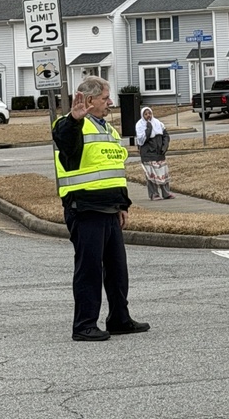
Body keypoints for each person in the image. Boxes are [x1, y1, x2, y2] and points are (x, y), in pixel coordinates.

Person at [53, 76, 150, 342]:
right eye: (106, 98)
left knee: (118, 269)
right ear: (89, 100)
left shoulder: (108, 129)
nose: (111, 102)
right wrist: (73, 119)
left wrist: (122, 205)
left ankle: (119, 319)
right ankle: (84, 325)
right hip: (84, 208)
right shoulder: (71, 126)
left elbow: (115, 172)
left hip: (109, 208)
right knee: (90, 269)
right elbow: (65, 142)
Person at [135, 106, 174, 200]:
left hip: (159, 153)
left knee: (162, 173)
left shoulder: (158, 123)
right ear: (142, 115)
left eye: (150, 113)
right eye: (146, 114)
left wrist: (164, 147)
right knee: (151, 174)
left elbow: (165, 136)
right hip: (148, 154)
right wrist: (148, 127)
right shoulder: (140, 125)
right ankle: (154, 194)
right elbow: (142, 139)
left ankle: (166, 193)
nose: (148, 115)